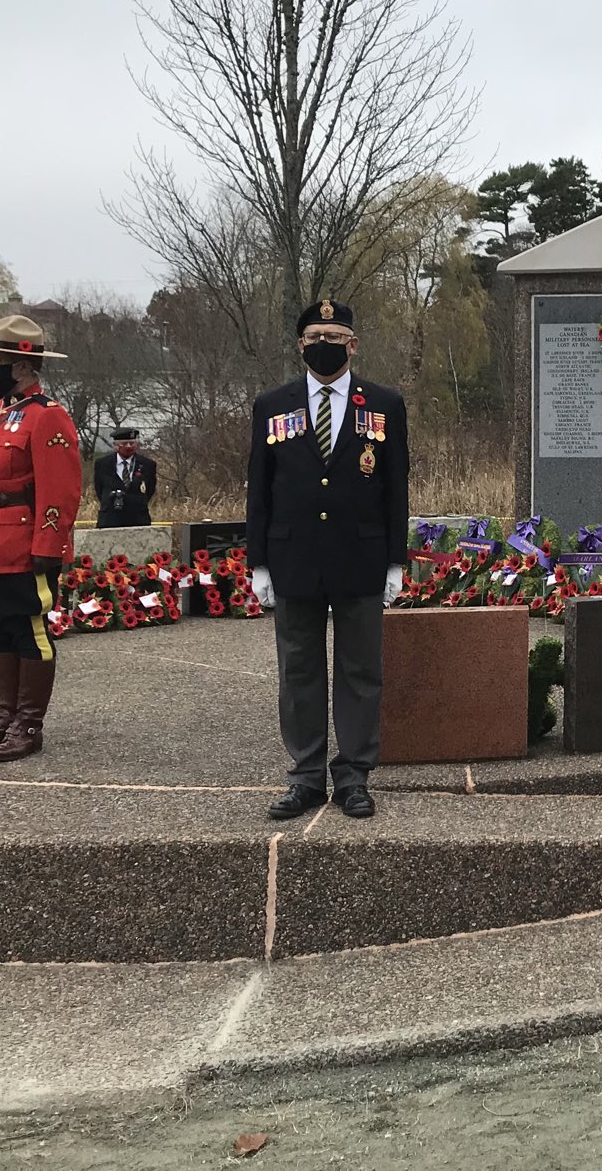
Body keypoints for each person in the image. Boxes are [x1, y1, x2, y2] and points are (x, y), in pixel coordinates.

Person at [246, 300, 409, 822]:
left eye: (334, 335)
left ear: (353, 344)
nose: (324, 343)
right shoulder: (273, 404)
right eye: (315, 335)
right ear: (300, 344)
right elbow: (260, 491)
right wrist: (258, 563)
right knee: (299, 671)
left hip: (359, 555)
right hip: (293, 556)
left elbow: (395, 488)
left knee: (361, 670)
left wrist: (394, 561)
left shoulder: (383, 404)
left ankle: (355, 775)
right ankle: (306, 776)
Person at [0, 315, 82, 762]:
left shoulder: (48, 416)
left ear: (22, 365)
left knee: (30, 630)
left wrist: (49, 546)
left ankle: (28, 725)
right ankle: (3, 720)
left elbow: (60, 490)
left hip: (22, 546)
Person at [93, 426, 157, 528]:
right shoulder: (102, 464)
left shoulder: (148, 465)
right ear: (115, 445)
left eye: (132, 443)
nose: (128, 446)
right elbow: (99, 489)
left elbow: (150, 489)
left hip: (138, 519)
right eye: (124, 444)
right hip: (110, 519)